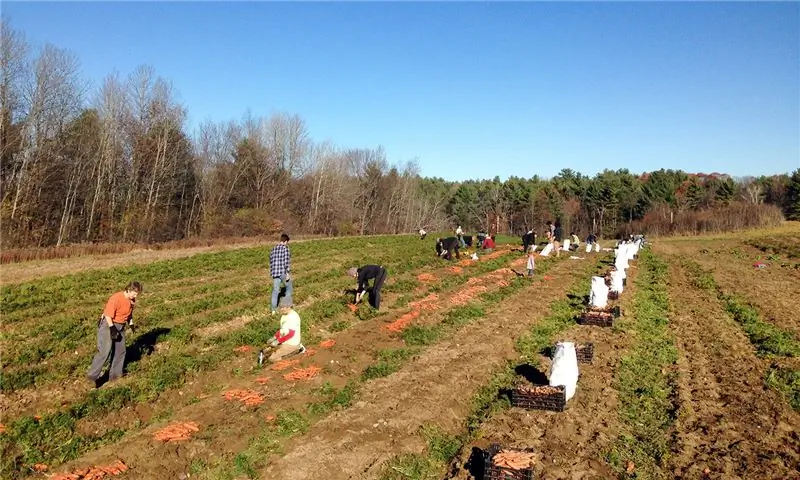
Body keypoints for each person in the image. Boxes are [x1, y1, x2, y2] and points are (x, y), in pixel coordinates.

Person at [87, 281, 143, 386]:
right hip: (108, 325)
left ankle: (115, 377)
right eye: (135, 294)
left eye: (137, 294)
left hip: (120, 326)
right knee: (105, 351)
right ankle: (91, 377)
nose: (136, 296)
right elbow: (108, 314)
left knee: (121, 351)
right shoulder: (116, 298)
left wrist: (131, 324)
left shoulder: (131, 301)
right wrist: (112, 328)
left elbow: (129, 314)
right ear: (129, 290)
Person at [267, 296, 305, 362]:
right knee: (267, 351)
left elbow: (290, 334)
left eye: (285, 307)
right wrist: (274, 337)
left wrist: (278, 341)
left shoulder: (293, 317)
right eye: (281, 307)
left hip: (291, 343)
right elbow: (282, 330)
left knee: (272, 358)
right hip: (284, 341)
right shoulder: (284, 316)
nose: (283, 309)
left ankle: (298, 350)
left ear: (290, 306)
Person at [269, 233, 293, 314]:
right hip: (282, 272)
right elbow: (286, 262)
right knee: (289, 288)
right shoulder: (285, 249)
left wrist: (272, 271)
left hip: (275, 273)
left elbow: (271, 261)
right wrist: (287, 273)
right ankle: (286, 307)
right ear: (286, 241)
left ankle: (273, 310)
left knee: (275, 291)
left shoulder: (273, 249)